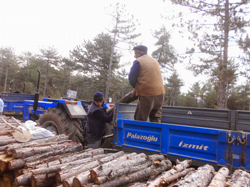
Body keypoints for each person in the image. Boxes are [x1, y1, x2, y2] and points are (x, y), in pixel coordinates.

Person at [128, 45, 165, 122]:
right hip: (160, 94)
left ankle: (139, 134)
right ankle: (155, 134)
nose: (134, 56)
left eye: (135, 53)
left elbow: (131, 78)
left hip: (148, 94)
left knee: (140, 119)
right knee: (155, 119)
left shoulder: (138, 61)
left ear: (139, 53)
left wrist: (135, 88)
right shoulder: (155, 61)